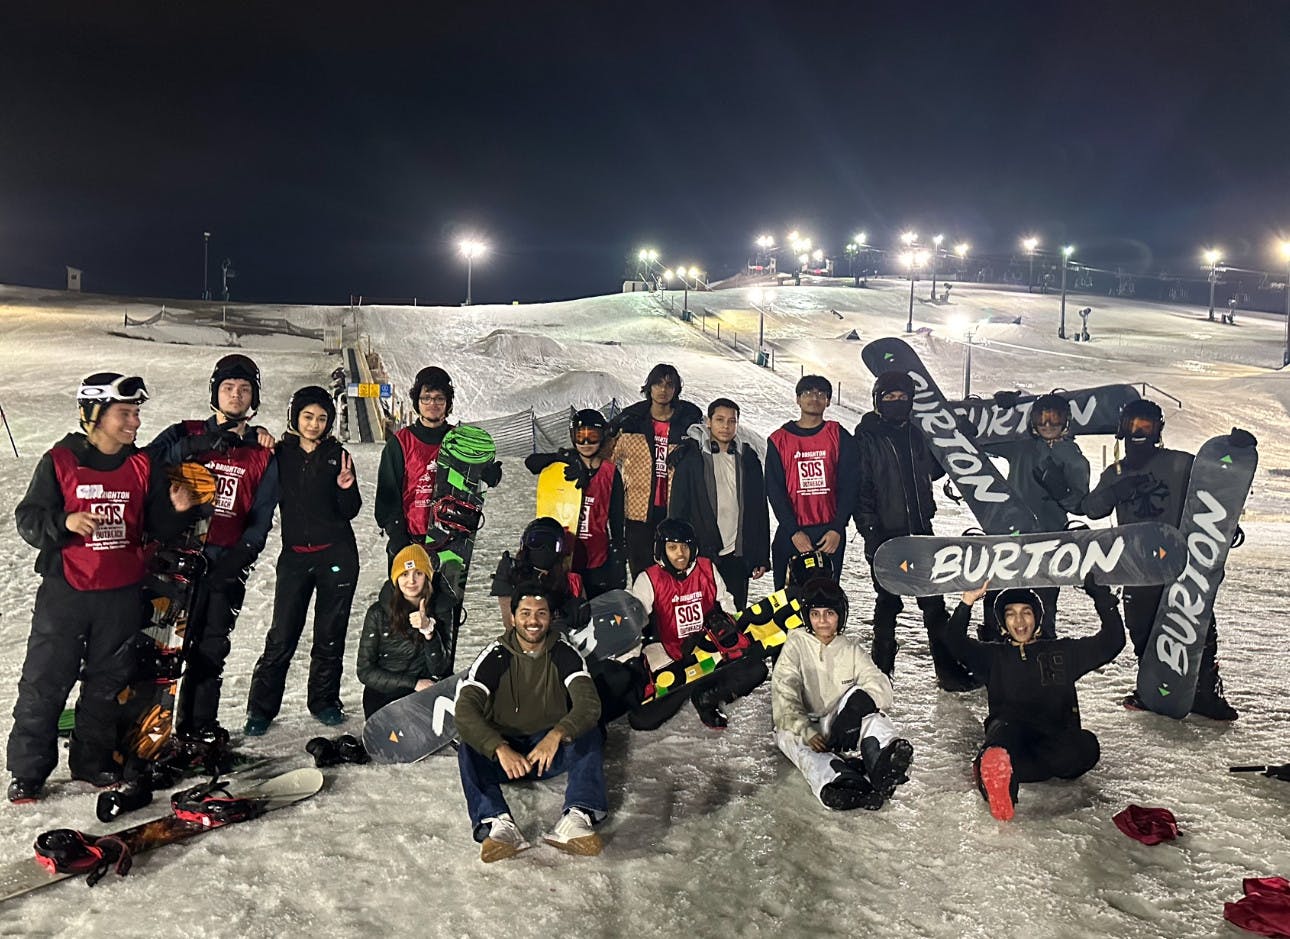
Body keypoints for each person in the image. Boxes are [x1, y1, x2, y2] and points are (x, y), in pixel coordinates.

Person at [9, 374, 197, 802]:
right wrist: (65, 522)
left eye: (136, 413)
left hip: (121, 594)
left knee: (106, 685)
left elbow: (156, 527)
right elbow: (28, 519)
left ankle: (92, 762)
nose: (135, 422)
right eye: (125, 413)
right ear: (94, 415)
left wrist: (177, 510)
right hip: (67, 593)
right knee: (45, 681)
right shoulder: (60, 460)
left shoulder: (142, 465)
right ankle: (28, 771)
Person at [148, 354, 278, 744]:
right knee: (159, 650)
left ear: (254, 397)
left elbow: (261, 517)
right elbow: (142, 467)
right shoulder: (183, 432)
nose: (236, 395)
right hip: (173, 565)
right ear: (215, 392)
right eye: (228, 388)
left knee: (210, 652)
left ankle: (198, 728)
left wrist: (237, 561)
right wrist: (192, 446)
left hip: (223, 565)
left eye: (244, 389)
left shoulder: (262, 452)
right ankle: (147, 734)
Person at [1080, 399, 1238, 720]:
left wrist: (1225, 522)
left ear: (1158, 431)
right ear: (1122, 430)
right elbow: (1092, 509)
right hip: (1139, 566)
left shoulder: (1180, 463)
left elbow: (1214, 486)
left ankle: (1205, 692)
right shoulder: (1115, 472)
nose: (1139, 432)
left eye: (1147, 426)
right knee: (1143, 628)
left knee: (1193, 622)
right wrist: (1117, 491)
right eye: (1133, 426)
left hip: (1183, 563)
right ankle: (1155, 687)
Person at [939, 577, 1125, 821]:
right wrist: (967, 602)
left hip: (1052, 744)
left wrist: (1102, 598)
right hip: (1011, 741)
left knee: (1086, 745)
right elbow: (954, 642)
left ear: (1037, 618)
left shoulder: (1062, 652)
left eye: (1026, 613)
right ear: (1003, 623)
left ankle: (995, 771)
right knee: (1003, 735)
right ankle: (997, 779)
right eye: (1011, 614)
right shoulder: (992, 656)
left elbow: (1112, 642)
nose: (1019, 621)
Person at [454, 583, 606, 862]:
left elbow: (589, 704)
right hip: (507, 757)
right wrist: (498, 747)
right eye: (525, 613)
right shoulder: (495, 656)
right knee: (468, 747)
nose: (533, 621)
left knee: (590, 731)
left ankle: (577, 816)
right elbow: (464, 710)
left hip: (547, 753)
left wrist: (558, 734)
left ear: (550, 617)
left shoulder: (564, 653)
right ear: (513, 618)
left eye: (541, 613)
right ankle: (498, 824)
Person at [244, 387, 362, 735]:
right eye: (308, 416)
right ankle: (260, 710)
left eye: (322, 418)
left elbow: (350, 510)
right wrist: (255, 433)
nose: (314, 424)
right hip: (295, 558)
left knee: (330, 634)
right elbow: (247, 448)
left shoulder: (337, 456)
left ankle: (324, 702)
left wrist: (346, 487)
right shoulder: (279, 454)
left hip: (337, 555)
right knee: (282, 634)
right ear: (295, 417)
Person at [854, 370, 976, 690]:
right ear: (878, 401)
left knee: (933, 601)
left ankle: (947, 669)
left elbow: (932, 470)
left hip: (920, 530)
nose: (896, 402)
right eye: (889, 397)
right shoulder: (867, 436)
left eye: (902, 397)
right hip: (885, 534)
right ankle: (881, 672)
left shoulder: (916, 434)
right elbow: (860, 487)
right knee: (888, 601)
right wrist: (870, 531)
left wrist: (959, 439)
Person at [772, 578, 914, 811]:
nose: (822, 621)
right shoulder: (796, 644)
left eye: (829, 613)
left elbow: (881, 685)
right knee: (803, 750)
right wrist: (806, 730)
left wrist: (854, 711)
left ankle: (883, 763)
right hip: (800, 726)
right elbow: (784, 693)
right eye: (815, 614)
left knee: (869, 708)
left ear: (840, 616)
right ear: (807, 617)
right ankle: (839, 782)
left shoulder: (850, 649)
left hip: (836, 724)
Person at [628, 518, 767, 729]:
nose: (680, 553)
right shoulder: (648, 578)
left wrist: (730, 627)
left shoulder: (707, 568)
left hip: (710, 651)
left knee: (757, 669)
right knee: (642, 719)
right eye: (672, 547)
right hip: (674, 655)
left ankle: (707, 697)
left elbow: (727, 603)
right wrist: (632, 661)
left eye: (685, 547)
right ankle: (693, 688)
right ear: (661, 549)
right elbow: (633, 624)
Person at [980, 391, 1091, 640]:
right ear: (1033, 421)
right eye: (1042, 418)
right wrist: (1001, 412)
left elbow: (1081, 505)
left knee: (1043, 602)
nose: (1048, 424)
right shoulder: (1022, 447)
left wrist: (1061, 492)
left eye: (1055, 418)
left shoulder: (1073, 457)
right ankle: (993, 648)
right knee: (997, 596)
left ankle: (1044, 649)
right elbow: (984, 442)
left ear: (1066, 420)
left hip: (1048, 538)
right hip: (1010, 535)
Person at [667, 397, 770, 609]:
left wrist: (761, 556)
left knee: (735, 613)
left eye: (732, 421)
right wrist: (677, 552)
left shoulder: (748, 459)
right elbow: (678, 508)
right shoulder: (691, 459)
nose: (726, 426)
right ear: (709, 422)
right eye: (720, 420)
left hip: (737, 555)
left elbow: (759, 510)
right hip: (702, 553)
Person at [607, 364, 703, 581]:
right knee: (642, 575)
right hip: (638, 512)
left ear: (676, 389)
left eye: (669, 384)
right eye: (658, 383)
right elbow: (605, 458)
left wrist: (691, 445)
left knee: (674, 575)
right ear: (649, 387)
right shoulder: (634, 422)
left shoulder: (686, 424)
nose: (663, 389)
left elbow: (706, 450)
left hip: (675, 511)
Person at [766, 375, 857, 589]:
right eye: (807, 393)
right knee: (788, 599)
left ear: (828, 401)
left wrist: (838, 528)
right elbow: (774, 490)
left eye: (820, 394)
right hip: (793, 532)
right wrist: (793, 532)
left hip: (829, 534)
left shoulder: (838, 435)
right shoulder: (779, 439)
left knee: (825, 598)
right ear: (798, 399)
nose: (814, 398)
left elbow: (850, 484)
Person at [524, 409, 626, 598]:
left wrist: (618, 555)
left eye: (592, 436)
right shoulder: (563, 467)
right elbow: (531, 463)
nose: (586, 442)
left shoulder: (610, 473)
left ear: (602, 436)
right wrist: (561, 458)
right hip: (563, 557)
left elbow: (617, 518)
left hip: (596, 557)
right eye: (580, 436)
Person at [355, 544, 453, 718]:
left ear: (427, 577)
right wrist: (413, 683)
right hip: (385, 691)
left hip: (426, 690)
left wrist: (428, 632)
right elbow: (365, 671)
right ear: (396, 578)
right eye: (405, 574)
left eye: (418, 573)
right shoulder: (377, 613)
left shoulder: (442, 608)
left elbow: (440, 668)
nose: (411, 581)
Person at [374, 366, 457, 566]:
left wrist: (485, 474)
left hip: (450, 539)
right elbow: (387, 493)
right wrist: (397, 534)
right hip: (410, 537)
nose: (432, 404)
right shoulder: (400, 442)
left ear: (447, 403)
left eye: (439, 398)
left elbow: (471, 481)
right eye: (426, 398)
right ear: (417, 402)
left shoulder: (459, 440)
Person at [490, 517, 590, 633]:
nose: (543, 548)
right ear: (525, 545)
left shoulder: (572, 582)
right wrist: (504, 582)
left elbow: (585, 622)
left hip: (565, 639)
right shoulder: (514, 574)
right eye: (536, 542)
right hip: (525, 641)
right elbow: (510, 623)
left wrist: (574, 613)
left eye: (551, 544)